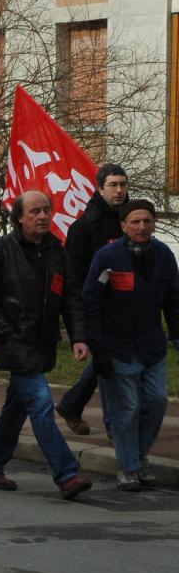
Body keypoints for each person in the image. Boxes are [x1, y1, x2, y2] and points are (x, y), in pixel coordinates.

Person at [0, 191, 93, 500]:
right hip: (16, 345)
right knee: (40, 403)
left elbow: (71, 297)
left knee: (17, 407)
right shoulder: (1, 250)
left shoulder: (56, 251)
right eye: (36, 211)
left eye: (46, 210)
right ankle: (66, 474)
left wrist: (78, 336)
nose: (43, 216)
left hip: (43, 344)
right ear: (20, 217)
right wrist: (8, 335)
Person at [83, 199, 179, 491]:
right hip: (117, 346)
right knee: (128, 407)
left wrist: (176, 333)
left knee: (157, 401)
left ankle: (139, 457)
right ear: (123, 226)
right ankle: (129, 467)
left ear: (154, 224)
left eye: (147, 221)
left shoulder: (164, 255)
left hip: (151, 345)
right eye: (135, 222)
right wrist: (97, 347)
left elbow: (173, 299)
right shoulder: (107, 257)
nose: (142, 227)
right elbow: (91, 302)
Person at [56, 164, 129, 435]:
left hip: (126, 305)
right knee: (109, 362)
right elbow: (73, 275)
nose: (120, 190)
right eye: (113, 185)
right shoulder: (85, 226)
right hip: (96, 306)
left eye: (123, 184)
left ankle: (71, 404)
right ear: (100, 188)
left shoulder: (132, 219)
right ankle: (114, 427)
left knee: (110, 361)